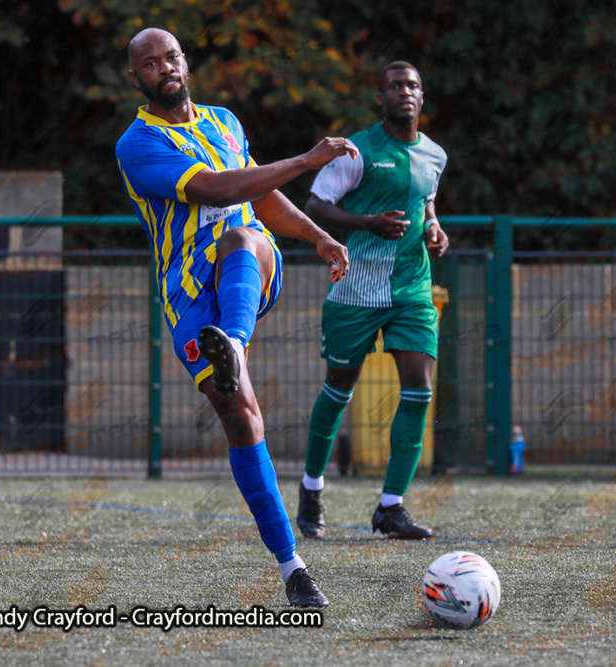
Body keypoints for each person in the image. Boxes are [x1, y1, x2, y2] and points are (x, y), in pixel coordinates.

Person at [116, 28, 357, 606]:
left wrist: (319, 235)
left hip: (245, 276)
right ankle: (292, 568)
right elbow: (218, 186)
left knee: (245, 231)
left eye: (171, 56)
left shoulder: (224, 121)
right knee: (244, 421)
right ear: (137, 79)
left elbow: (261, 200)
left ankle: (236, 344)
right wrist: (305, 158)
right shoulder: (137, 143)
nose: (164, 68)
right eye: (149, 63)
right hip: (189, 300)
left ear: (185, 61)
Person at [296, 61, 449, 539]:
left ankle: (391, 506)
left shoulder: (434, 155)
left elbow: (426, 202)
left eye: (413, 86)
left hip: (412, 290)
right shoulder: (356, 151)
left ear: (422, 97)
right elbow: (315, 206)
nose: (404, 92)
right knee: (339, 388)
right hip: (356, 290)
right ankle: (311, 486)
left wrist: (434, 228)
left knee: (419, 389)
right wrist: (368, 224)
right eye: (394, 86)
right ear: (379, 98)